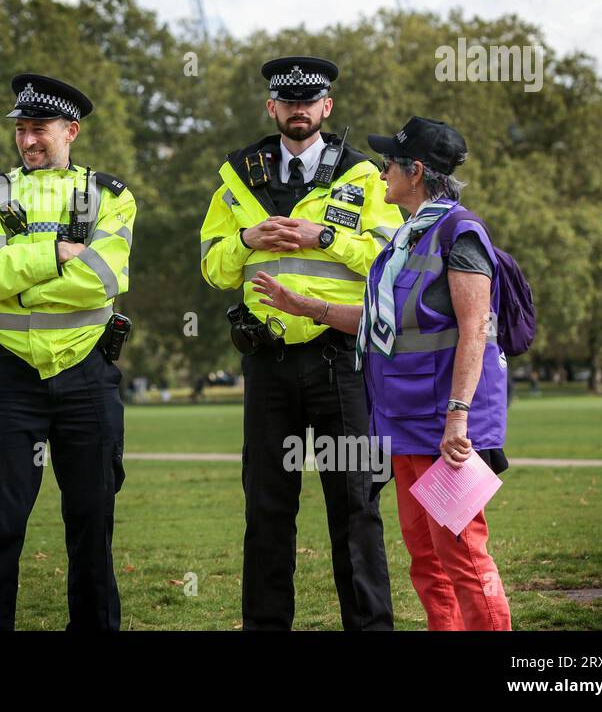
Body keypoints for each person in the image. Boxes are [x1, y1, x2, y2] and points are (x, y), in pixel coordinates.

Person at [253, 116, 513, 631]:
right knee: (427, 560)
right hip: (405, 425)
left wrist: (457, 420)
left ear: (415, 172)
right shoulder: (406, 240)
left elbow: (474, 333)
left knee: (462, 556)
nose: (380, 171)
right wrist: (303, 306)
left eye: (389, 163)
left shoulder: (460, 234)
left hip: (445, 429)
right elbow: (380, 324)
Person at [199, 55, 398, 630]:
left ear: (326, 108)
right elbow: (213, 268)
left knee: (357, 507)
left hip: (342, 363)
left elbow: (390, 260)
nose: (298, 111)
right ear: (272, 108)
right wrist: (245, 238)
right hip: (267, 363)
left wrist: (326, 235)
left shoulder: (365, 176)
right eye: (288, 102)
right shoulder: (237, 176)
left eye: (309, 102)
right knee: (266, 510)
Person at [0, 73, 135, 630]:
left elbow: (103, 278)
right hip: (10, 376)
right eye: (21, 131)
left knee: (91, 519)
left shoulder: (110, 196)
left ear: (71, 130)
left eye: (40, 130)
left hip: (87, 374)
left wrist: (20, 273)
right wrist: (56, 253)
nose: (28, 141)